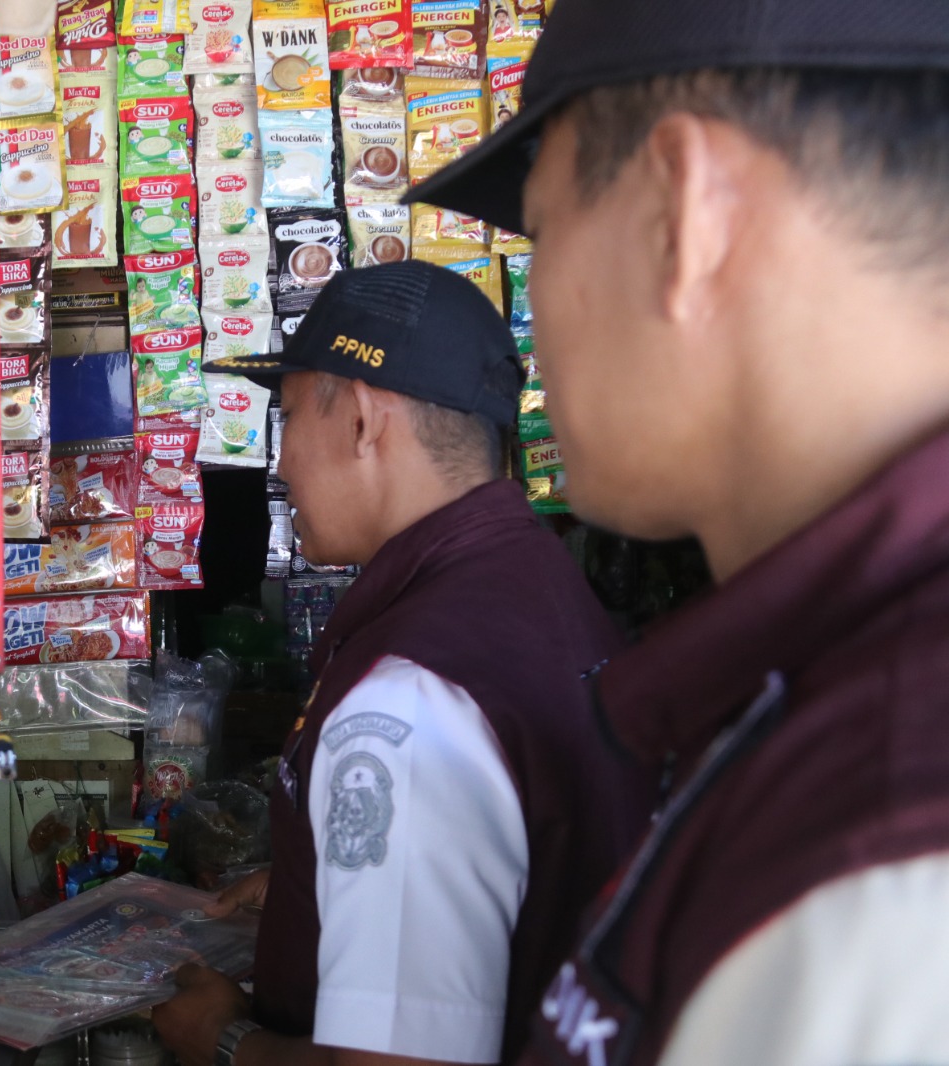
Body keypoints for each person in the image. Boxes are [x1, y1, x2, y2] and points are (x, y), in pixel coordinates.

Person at [404, 1, 949, 1064]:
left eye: (541, 231)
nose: (533, 331)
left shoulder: (883, 867)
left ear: (680, 215)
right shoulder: (831, 700)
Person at [152, 261, 649, 1066]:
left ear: (360, 419)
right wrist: (331, 887)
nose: (279, 465)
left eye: (287, 418)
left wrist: (226, 1039)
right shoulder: (541, 587)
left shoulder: (410, 701)